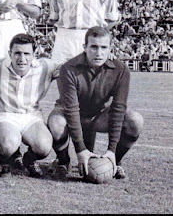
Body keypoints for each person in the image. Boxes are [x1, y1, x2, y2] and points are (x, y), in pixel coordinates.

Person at [47, 26, 144, 180]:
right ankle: (63, 162)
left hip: (99, 116)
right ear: (84, 47)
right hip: (71, 114)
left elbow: (118, 109)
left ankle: (114, 161)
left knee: (135, 120)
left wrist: (111, 150)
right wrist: (81, 150)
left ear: (110, 48)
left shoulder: (121, 69)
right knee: (56, 123)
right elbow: (71, 110)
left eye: (103, 47)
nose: (99, 53)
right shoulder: (68, 69)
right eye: (93, 47)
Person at [0, 33, 62, 178]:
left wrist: (106, 58)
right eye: (17, 53)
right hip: (5, 115)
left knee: (44, 147)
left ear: (34, 54)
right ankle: (4, 160)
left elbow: (72, 65)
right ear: (9, 53)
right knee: (8, 144)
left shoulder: (45, 66)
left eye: (26, 53)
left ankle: (29, 160)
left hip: (31, 116)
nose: (22, 59)